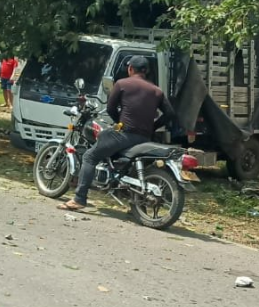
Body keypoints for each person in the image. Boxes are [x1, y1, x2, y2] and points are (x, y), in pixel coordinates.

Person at [58, 55, 174, 211]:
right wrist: (153, 126)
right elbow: (170, 114)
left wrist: (120, 122)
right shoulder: (157, 91)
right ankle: (137, 208)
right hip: (145, 138)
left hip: (125, 135)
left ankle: (79, 199)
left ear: (130, 68)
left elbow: (111, 108)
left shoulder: (122, 84)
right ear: (146, 71)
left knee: (90, 156)